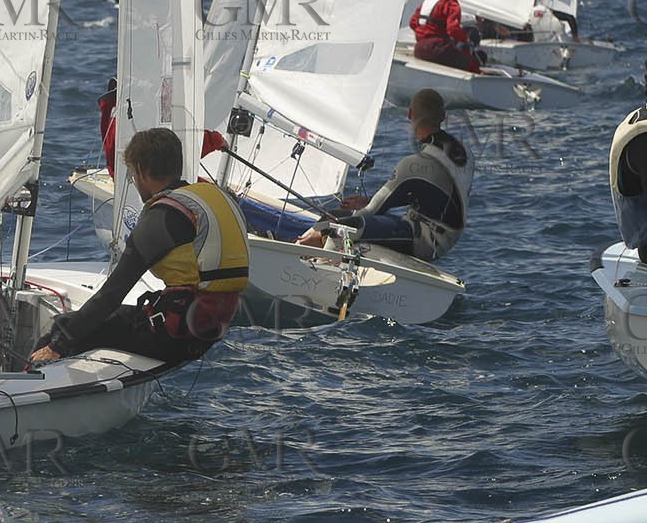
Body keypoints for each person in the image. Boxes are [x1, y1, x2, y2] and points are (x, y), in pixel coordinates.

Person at [28, 127, 250, 367]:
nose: (134, 182)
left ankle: (22, 388)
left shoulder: (164, 217)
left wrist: (56, 346)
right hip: (215, 328)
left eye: (132, 174)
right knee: (105, 321)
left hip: (177, 335)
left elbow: (111, 294)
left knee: (63, 328)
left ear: (142, 171)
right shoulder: (216, 197)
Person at [295, 88, 473, 260]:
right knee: (336, 216)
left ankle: (309, 261)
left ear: (410, 114)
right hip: (446, 239)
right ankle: (301, 248)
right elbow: (439, 195)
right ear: (443, 116)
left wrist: (322, 232)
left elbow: (371, 212)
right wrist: (370, 199)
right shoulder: (464, 153)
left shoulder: (414, 164)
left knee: (343, 225)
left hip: (425, 241)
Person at [409, 0, 484, 73]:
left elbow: (413, 23)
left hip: (419, 48)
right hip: (437, 49)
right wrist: (465, 39)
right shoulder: (452, 4)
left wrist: (425, 34)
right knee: (471, 63)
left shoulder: (430, 0)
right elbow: (453, 29)